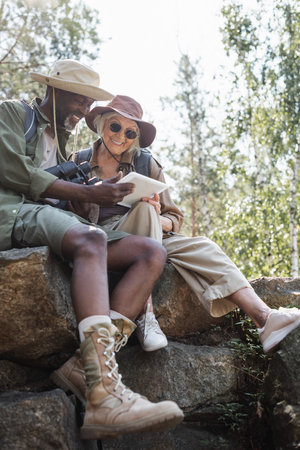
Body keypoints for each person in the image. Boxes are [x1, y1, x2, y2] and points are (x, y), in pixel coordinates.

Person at [0, 61, 184, 440]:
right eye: (79, 100)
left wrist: (82, 204)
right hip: (12, 215)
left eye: (88, 104)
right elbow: (15, 174)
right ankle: (104, 394)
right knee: (92, 239)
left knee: (151, 254)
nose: (83, 110)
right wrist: (84, 193)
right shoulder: (12, 114)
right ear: (54, 89)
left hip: (44, 220)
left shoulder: (66, 151)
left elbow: (59, 205)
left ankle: (84, 371)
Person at [77, 94, 300, 356]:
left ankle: (264, 318)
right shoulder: (79, 162)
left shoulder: (145, 162)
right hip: (106, 238)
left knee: (204, 246)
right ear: (102, 123)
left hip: (151, 235)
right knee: (147, 210)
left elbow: (175, 218)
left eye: (130, 131)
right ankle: (145, 316)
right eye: (115, 126)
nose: (121, 136)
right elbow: (69, 215)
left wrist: (157, 216)